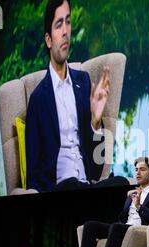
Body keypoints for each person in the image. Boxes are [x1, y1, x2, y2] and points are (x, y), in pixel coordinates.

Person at [25, 0, 128, 192]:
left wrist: (96, 122)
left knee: (121, 183)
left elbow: (97, 170)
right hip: (60, 191)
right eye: (58, 25)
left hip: (86, 187)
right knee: (71, 185)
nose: (65, 31)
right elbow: (33, 177)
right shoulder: (38, 99)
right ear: (48, 40)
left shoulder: (83, 83)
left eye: (68, 22)